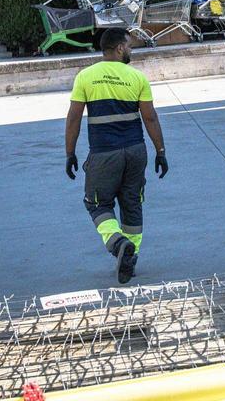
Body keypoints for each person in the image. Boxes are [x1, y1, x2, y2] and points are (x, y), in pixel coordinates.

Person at [65, 28, 169, 284]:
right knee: (132, 204)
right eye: (129, 46)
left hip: (104, 153)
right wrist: (161, 151)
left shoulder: (86, 77)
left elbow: (74, 117)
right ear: (120, 48)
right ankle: (130, 261)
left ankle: (118, 243)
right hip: (135, 151)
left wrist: (70, 153)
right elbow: (150, 118)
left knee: (97, 204)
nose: (131, 50)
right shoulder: (137, 77)